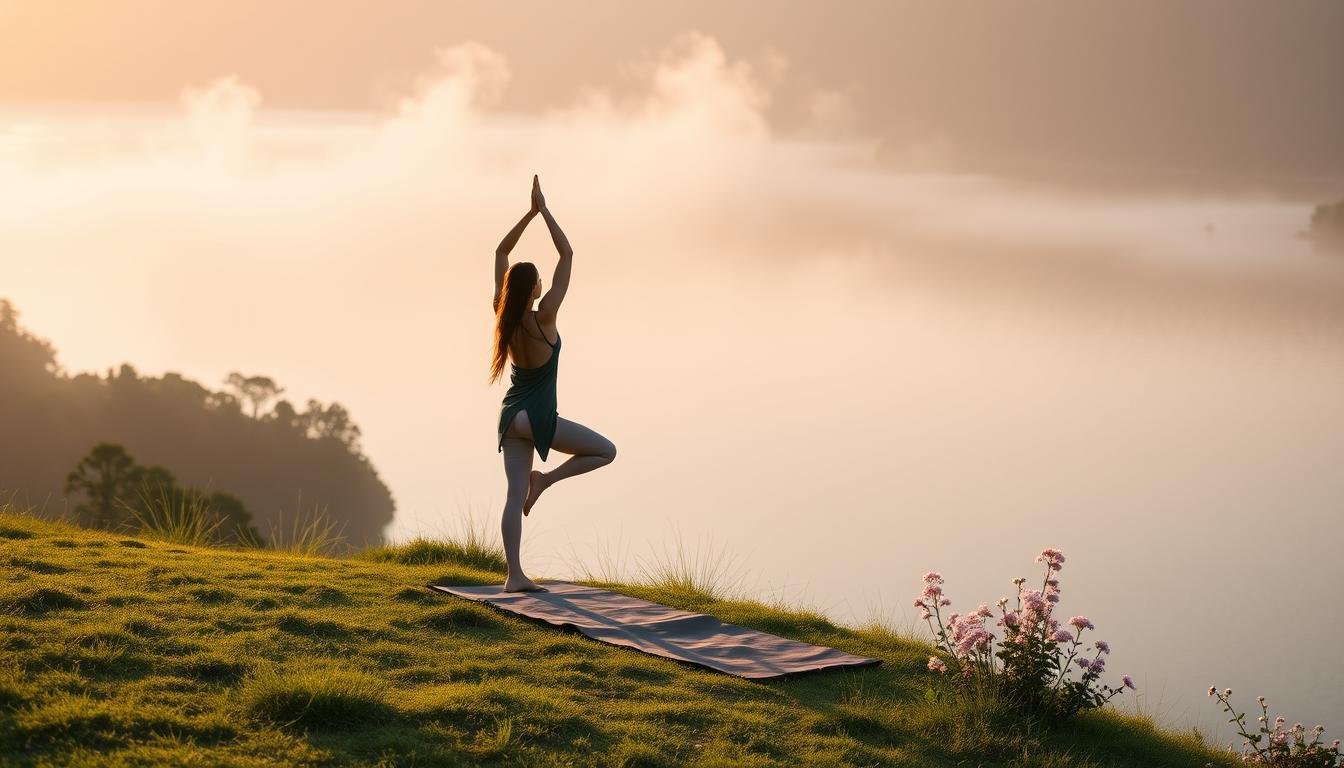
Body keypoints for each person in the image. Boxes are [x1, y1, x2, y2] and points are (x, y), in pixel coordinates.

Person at [489, 174, 617, 592]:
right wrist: (543, 211)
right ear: (534, 290)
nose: (545, 283)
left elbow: (501, 251)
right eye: (540, 281)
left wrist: (526, 214)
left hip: (511, 416)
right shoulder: (546, 317)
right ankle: (546, 480)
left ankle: (514, 577)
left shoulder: (503, 314)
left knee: (511, 497)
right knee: (605, 451)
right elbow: (567, 253)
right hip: (541, 417)